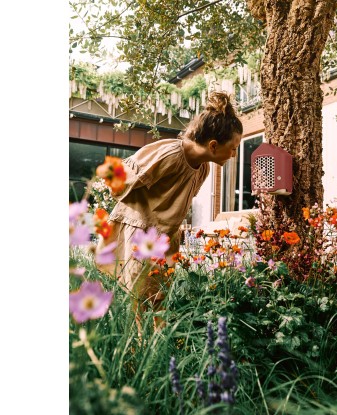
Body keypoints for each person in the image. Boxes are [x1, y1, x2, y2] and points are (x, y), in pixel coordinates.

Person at [95, 91, 243, 332]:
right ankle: (136, 348)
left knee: (160, 297)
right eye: (234, 148)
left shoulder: (203, 169)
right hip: (141, 234)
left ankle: (158, 345)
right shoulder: (169, 154)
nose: (235, 154)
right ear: (213, 145)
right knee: (138, 299)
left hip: (165, 237)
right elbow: (119, 179)